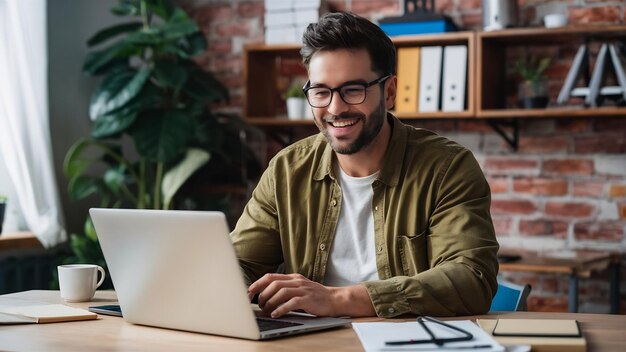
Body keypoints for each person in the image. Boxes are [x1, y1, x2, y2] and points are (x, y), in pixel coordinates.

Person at [231, 12, 499, 318]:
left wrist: (338, 299)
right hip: (309, 343)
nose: (334, 108)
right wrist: (231, 293)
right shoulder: (287, 170)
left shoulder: (447, 168)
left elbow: (470, 279)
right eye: (321, 91)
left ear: (390, 91)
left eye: (353, 90)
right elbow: (237, 263)